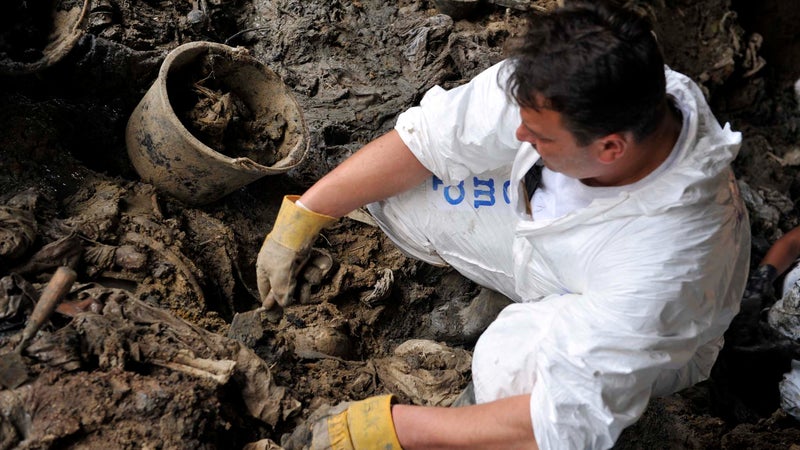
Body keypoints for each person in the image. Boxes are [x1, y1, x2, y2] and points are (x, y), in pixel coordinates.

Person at [256, 2, 751, 448]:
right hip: (548, 247)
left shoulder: (668, 266)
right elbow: (432, 140)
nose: (519, 134)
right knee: (399, 196)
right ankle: (510, 289)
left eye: (538, 137)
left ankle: (476, 414)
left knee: (510, 362)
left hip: (632, 330)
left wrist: (395, 427)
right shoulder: (573, 79)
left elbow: (563, 417)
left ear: (610, 148)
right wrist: (301, 217)